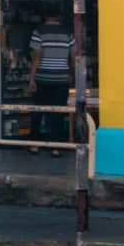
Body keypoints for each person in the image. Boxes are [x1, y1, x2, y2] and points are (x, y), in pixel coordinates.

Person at [28, 10, 74, 151]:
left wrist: (32, 78)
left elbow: (36, 57)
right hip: (61, 79)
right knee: (57, 113)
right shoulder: (68, 33)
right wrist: (70, 74)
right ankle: (56, 147)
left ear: (45, 16)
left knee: (38, 111)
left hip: (43, 78)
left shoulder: (39, 32)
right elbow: (72, 57)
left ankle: (34, 145)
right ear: (60, 16)